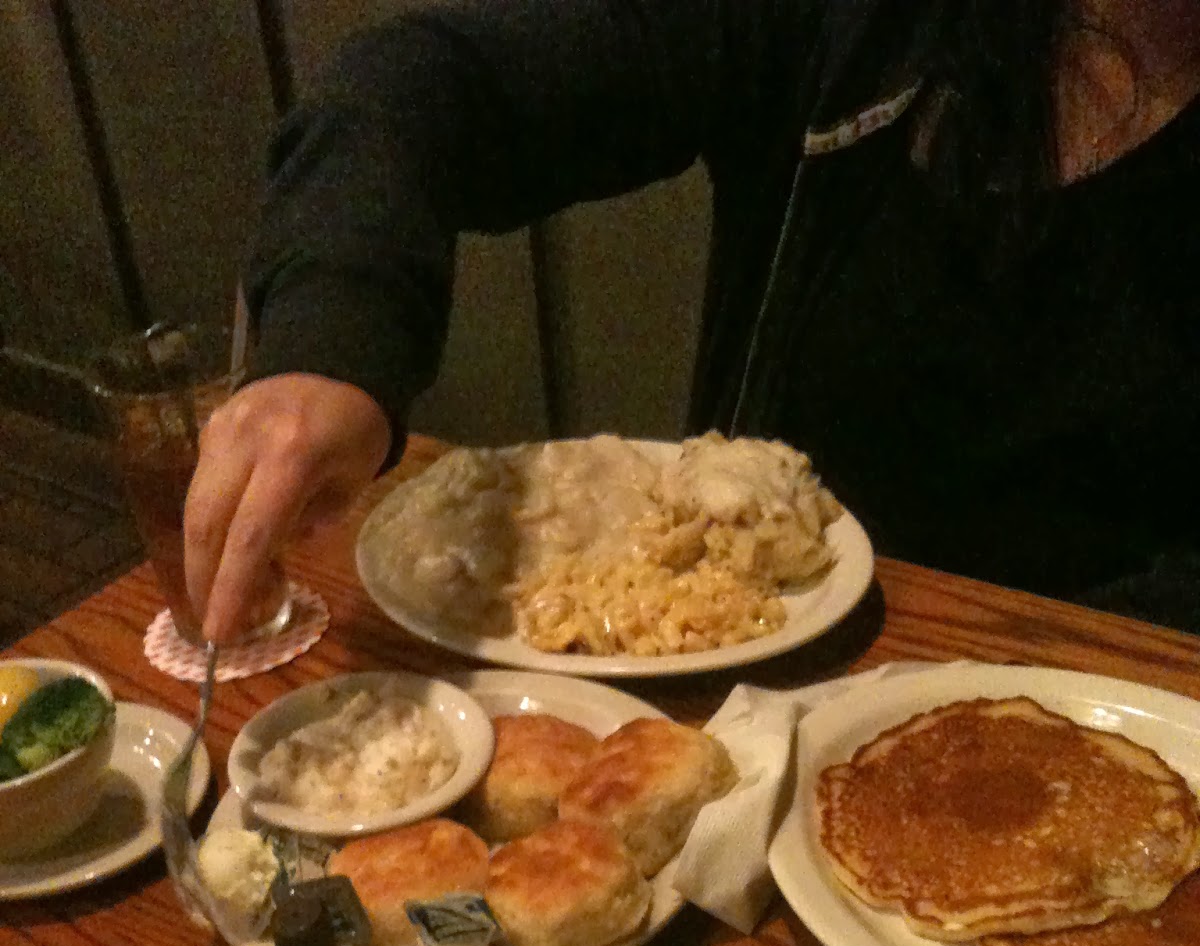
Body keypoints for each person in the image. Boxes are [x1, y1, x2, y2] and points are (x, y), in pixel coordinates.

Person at [184, 0, 1200, 642]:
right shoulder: (856, 26)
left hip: (1112, 753)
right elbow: (422, 85)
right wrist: (330, 342)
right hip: (730, 730)